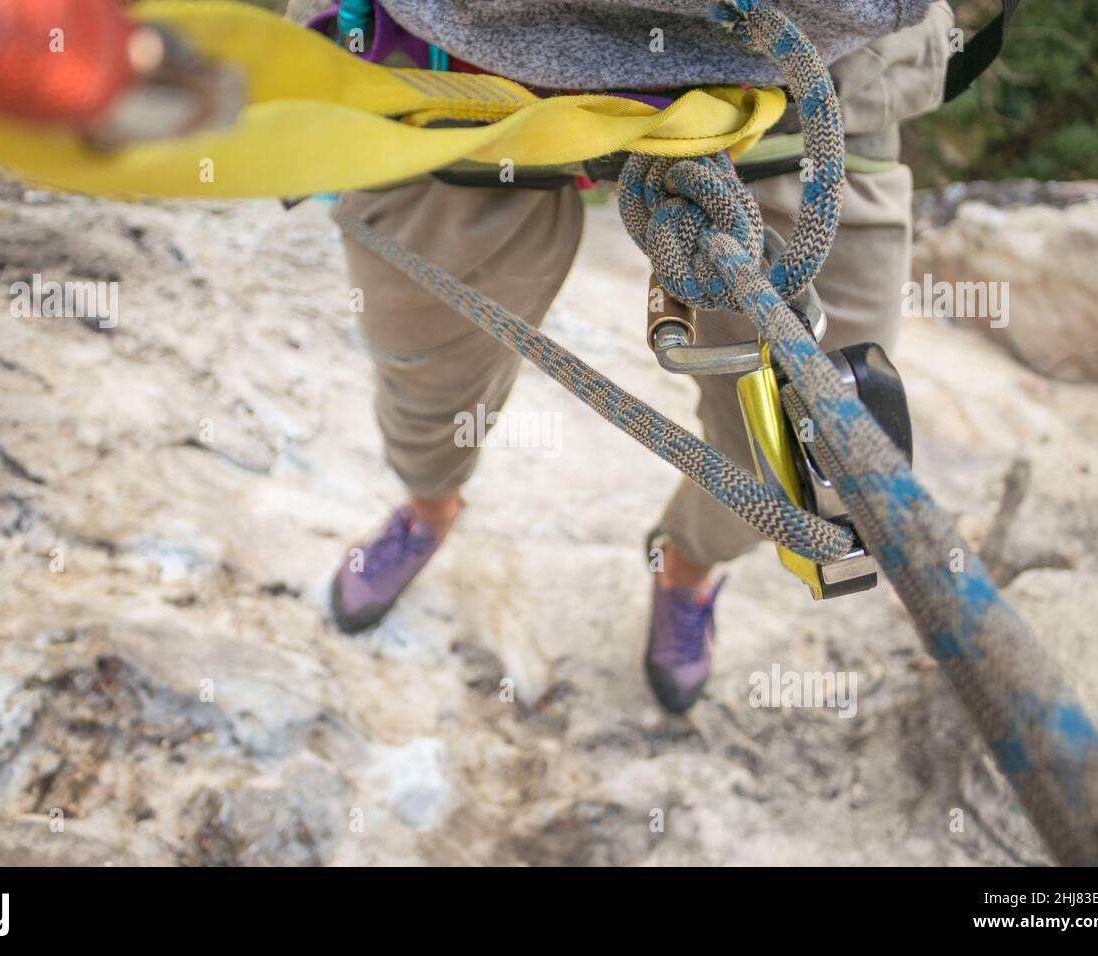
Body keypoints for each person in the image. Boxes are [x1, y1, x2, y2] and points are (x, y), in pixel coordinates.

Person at [325, 0, 956, 712]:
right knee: (425, 370)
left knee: (805, 447)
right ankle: (428, 506)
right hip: (454, 62)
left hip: (801, 76)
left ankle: (687, 569)